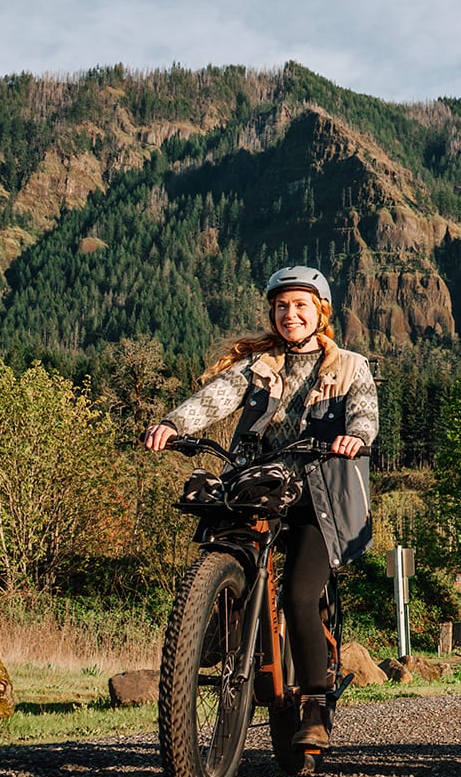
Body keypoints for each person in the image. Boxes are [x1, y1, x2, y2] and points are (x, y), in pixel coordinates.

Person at [144, 265, 379, 749]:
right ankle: (213, 628)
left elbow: (365, 414)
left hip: (318, 494)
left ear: (321, 312)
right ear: (272, 313)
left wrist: (353, 437)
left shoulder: (351, 365)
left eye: (300, 305)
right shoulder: (257, 367)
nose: (289, 314)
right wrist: (173, 423)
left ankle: (314, 704)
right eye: (281, 306)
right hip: (257, 486)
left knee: (297, 595)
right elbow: (212, 400)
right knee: (221, 549)